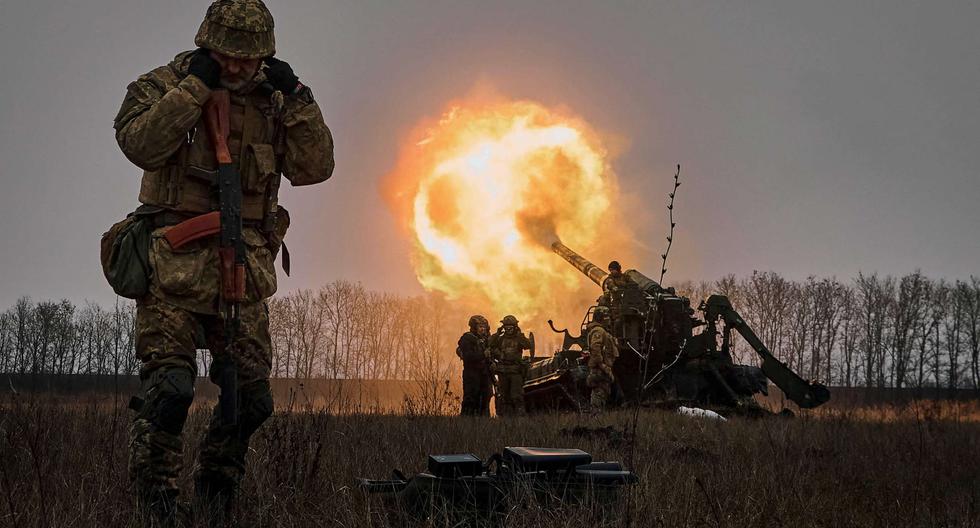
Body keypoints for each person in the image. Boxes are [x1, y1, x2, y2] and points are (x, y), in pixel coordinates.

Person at [112, 0, 334, 523]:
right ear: (205, 44)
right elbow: (139, 143)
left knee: (251, 399)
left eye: (249, 58)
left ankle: (216, 492)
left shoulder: (278, 100)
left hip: (244, 271)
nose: (237, 67)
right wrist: (193, 89)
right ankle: (158, 504)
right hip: (173, 270)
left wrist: (299, 97)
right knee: (169, 392)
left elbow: (315, 167)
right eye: (227, 56)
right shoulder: (165, 83)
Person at [487, 315, 532, 416]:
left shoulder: (519, 338)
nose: (508, 329)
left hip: (516, 372)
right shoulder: (500, 339)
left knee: (516, 396)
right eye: (506, 327)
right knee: (504, 397)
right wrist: (497, 333)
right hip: (503, 371)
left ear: (515, 327)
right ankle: (506, 419)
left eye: (511, 327)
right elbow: (489, 344)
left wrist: (520, 335)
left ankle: (520, 418)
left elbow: (528, 345)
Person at [456, 315, 492, 416]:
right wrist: (482, 355)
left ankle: (484, 421)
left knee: (486, 396)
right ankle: (467, 421)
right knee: (471, 398)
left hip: (485, 373)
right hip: (472, 373)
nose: (483, 329)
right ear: (474, 327)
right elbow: (468, 356)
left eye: (484, 326)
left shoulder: (486, 339)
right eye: (480, 326)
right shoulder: (467, 339)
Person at [586, 307, 619, 411]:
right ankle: (595, 418)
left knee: (603, 393)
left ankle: (598, 418)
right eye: (606, 317)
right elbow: (595, 348)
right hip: (600, 369)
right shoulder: (598, 331)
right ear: (601, 318)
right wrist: (603, 366)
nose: (609, 319)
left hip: (603, 369)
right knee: (599, 393)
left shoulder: (602, 331)